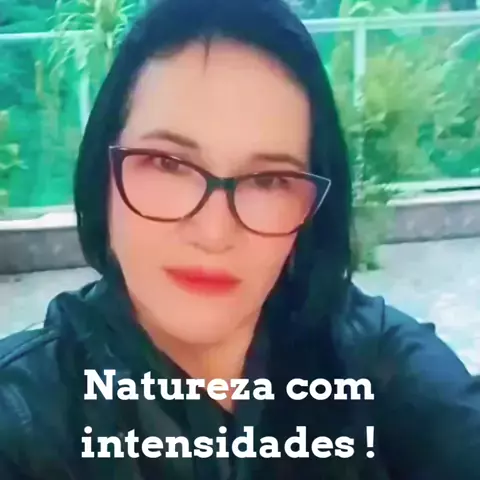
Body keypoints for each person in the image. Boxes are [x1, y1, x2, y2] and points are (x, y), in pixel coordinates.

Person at [0, 0, 479, 478]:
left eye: (268, 180)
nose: (214, 232)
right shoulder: (25, 418)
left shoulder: (376, 363)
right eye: (169, 163)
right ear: (102, 171)